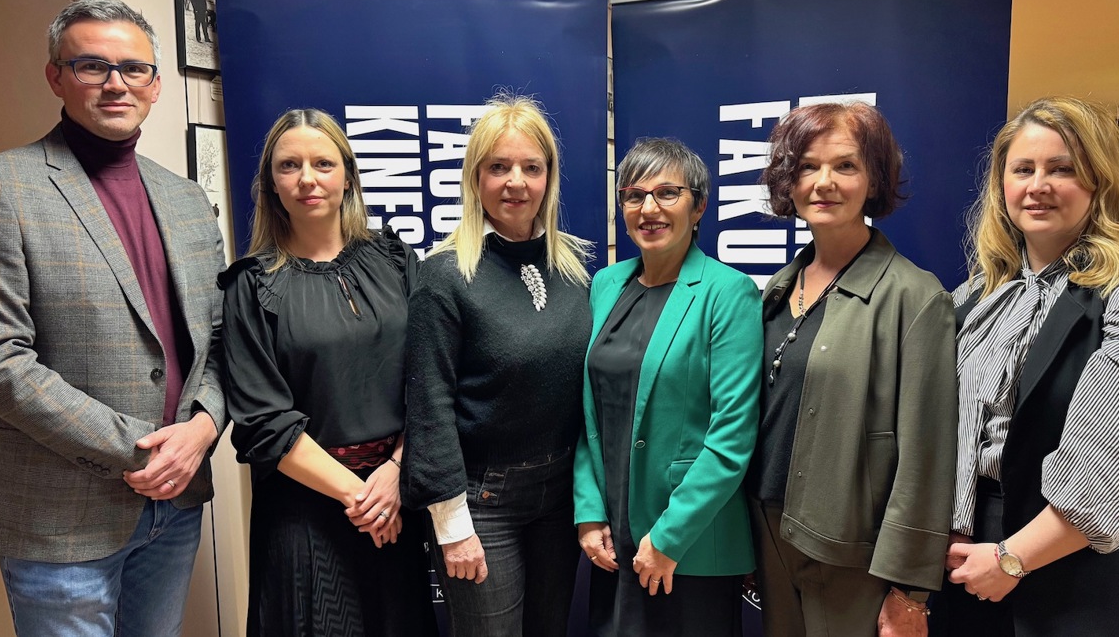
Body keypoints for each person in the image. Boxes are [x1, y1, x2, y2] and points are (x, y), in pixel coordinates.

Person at [0, 0, 226, 636]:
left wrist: (204, 428)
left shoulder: (187, 199)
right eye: (92, 66)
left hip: (177, 502)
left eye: (133, 68)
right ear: (56, 77)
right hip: (60, 516)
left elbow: (220, 341)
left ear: (155, 85)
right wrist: (140, 449)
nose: (115, 83)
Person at [932, 96, 1119, 636]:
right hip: (970, 561)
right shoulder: (972, 299)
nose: (1038, 185)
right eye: (1023, 169)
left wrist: (1013, 557)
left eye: (1062, 169)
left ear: (1098, 182)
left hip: (1092, 571)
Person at [218, 109, 438, 636]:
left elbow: (431, 377)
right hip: (305, 512)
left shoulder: (395, 260)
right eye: (289, 165)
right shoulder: (250, 285)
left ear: (348, 175)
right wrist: (360, 498)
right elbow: (262, 420)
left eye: (323, 163)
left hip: (397, 496)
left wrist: (395, 472)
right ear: (271, 183)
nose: (307, 179)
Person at [748, 102, 957, 637]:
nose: (824, 183)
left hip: (850, 549)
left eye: (845, 165)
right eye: (807, 167)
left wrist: (910, 589)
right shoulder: (777, 290)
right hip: (767, 527)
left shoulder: (915, 297)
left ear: (874, 180)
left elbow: (928, 457)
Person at [401, 94, 592, 636]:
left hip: (560, 497)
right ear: (475, 177)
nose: (516, 182)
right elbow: (429, 405)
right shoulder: (444, 275)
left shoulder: (575, 267)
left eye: (532, 167)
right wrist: (451, 524)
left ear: (549, 178)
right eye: (499, 167)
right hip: (481, 502)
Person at [574, 137, 762, 636]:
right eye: (634, 195)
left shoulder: (728, 293)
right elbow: (588, 412)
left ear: (698, 207)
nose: (649, 208)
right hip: (614, 532)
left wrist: (668, 538)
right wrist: (588, 512)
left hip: (689, 539)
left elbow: (732, 436)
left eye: (667, 193)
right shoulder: (606, 284)